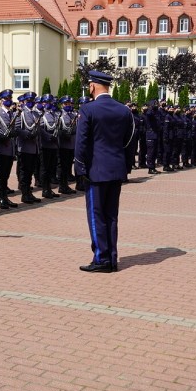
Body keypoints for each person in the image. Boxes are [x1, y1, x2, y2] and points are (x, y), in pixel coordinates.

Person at [75, 70, 135, 273]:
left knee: (96, 215)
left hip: (96, 171)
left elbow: (81, 141)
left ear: (92, 86)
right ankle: (112, 258)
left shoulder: (88, 109)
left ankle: (101, 259)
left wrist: (79, 166)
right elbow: (129, 141)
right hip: (116, 170)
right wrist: (126, 165)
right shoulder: (123, 110)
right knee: (111, 216)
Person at [0, 89, 19, 209]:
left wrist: (13, 133)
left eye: (10, 99)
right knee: (1, 175)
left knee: (6, 175)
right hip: (1, 149)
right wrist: (0, 137)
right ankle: (0, 199)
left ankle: (5, 197)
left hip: (9, 149)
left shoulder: (12, 114)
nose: (8, 101)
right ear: (1, 100)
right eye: (6, 99)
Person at [56, 96, 77, 194]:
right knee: (62, 166)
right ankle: (62, 186)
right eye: (66, 104)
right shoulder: (59, 116)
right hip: (63, 145)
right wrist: (64, 134)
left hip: (71, 144)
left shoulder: (73, 116)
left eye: (69, 104)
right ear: (62, 105)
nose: (68, 105)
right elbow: (57, 130)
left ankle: (66, 185)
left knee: (68, 166)